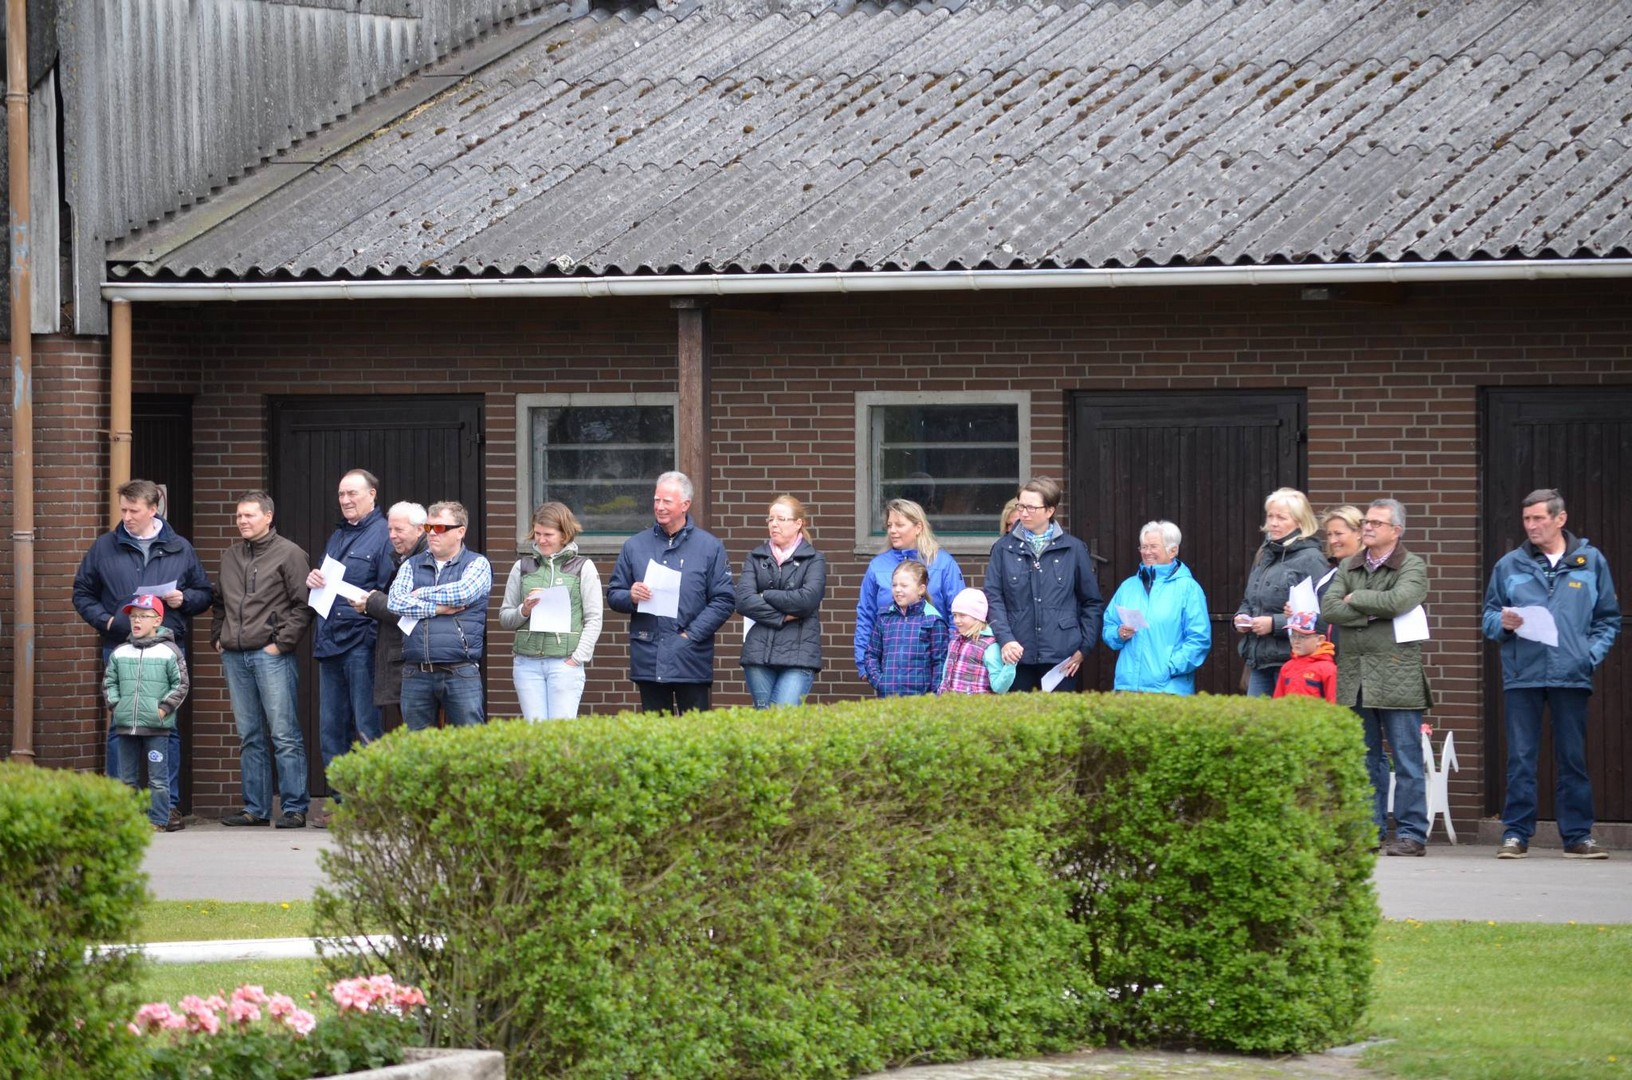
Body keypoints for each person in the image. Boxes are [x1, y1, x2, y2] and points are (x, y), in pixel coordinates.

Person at [1483, 488, 1621, 860]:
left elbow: (1607, 620)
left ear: (1560, 519)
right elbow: (1489, 616)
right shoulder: (1509, 564)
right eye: (1526, 519)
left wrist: (1588, 656)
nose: (1531, 526)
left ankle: (1577, 836)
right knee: (1521, 758)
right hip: (1522, 674)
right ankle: (1515, 835)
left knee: (1572, 758)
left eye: (1538, 518)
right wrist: (1503, 623)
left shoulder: (1590, 561)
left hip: (1571, 674)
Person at [72, 477, 212, 828]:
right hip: (120, 648)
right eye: (123, 510)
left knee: (167, 727)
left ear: (153, 509)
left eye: (134, 510)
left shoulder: (179, 548)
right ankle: (121, 807)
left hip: (165, 649)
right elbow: (82, 592)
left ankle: (168, 808)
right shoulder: (105, 547)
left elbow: (204, 593)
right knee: (120, 725)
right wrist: (106, 621)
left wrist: (185, 599)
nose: (127, 517)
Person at [1321, 498, 1432, 857]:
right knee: (1364, 758)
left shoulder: (1411, 565)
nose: (1367, 527)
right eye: (1365, 522)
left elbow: (1400, 601)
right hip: (1355, 676)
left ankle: (1412, 835)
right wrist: (1371, 612)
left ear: (1396, 531)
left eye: (1376, 523)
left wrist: (1357, 598)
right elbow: (1329, 608)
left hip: (1397, 674)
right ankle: (1368, 832)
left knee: (1407, 759)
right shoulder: (1350, 565)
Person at [213, 491, 314, 829]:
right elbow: (219, 602)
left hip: (270, 655)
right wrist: (218, 637)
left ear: (268, 517)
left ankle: (294, 808)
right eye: (239, 516)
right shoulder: (230, 556)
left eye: (249, 515)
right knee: (250, 735)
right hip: (235, 655)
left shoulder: (290, 553)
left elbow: (304, 605)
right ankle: (255, 809)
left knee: (284, 734)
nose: (242, 521)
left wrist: (282, 644)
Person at [607, 471, 735, 715]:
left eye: (667, 501)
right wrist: (630, 596)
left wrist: (691, 635)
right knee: (655, 732)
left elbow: (724, 600)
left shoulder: (710, 547)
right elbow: (614, 594)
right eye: (657, 500)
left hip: (691, 655)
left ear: (685, 504)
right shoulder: (634, 546)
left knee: (696, 731)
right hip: (649, 653)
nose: (659, 507)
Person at [303, 470, 394, 783]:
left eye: (352, 493)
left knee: (367, 726)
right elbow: (327, 581)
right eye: (341, 494)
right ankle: (341, 800)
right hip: (329, 643)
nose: (345, 500)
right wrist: (313, 579)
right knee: (331, 729)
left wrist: (370, 638)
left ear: (372, 494)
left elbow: (387, 593)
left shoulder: (384, 534)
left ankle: (370, 800)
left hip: (361, 646)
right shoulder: (338, 535)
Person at [983, 476, 1103, 692]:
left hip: (1062, 655)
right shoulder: (1003, 548)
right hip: (1016, 653)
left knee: (1059, 713)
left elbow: (1091, 602)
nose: (1023, 513)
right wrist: (1006, 639)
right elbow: (993, 597)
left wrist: (1083, 649)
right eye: (1021, 506)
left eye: (1031, 507)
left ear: (1050, 510)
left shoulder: (1074, 549)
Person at [387, 501, 493, 730]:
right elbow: (395, 602)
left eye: (440, 528)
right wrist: (437, 609)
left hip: (460, 670)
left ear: (460, 532)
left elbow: (462, 593)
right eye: (428, 528)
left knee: (469, 742)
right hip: (416, 670)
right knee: (417, 745)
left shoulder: (477, 563)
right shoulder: (411, 564)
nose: (432, 533)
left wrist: (421, 593)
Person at [499, 501, 604, 720]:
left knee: (561, 731)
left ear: (564, 535)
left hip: (564, 662)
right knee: (534, 731)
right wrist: (524, 610)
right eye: (537, 533)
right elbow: (505, 617)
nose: (541, 540)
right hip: (526, 663)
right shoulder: (522, 567)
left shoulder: (583, 567)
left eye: (548, 534)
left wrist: (577, 658)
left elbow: (594, 618)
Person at [104, 594, 190, 832]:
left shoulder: (169, 651)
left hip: (156, 727)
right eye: (133, 616)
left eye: (143, 616)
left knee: (158, 779)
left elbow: (181, 684)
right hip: (126, 726)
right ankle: (128, 819)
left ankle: (158, 820)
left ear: (158, 620)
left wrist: (163, 710)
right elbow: (110, 682)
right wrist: (117, 706)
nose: (137, 621)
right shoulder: (120, 652)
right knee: (126, 778)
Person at [853, 498, 965, 680]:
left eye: (899, 525)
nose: (892, 530)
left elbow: (959, 615)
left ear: (918, 527)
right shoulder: (877, 566)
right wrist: (864, 664)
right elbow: (866, 616)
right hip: (890, 669)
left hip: (935, 668)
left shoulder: (943, 564)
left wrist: (951, 660)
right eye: (889, 525)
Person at [1235, 487, 1329, 696]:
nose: (1273, 523)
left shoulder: (1312, 559)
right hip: (1259, 660)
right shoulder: (1265, 554)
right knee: (1255, 717)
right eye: (1270, 516)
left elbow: (1321, 616)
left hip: (1293, 661)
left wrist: (1274, 624)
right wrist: (1243, 617)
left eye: (1281, 517)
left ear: (1300, 522)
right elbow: (1250, 599)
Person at [735, 495, 826, 708]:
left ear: (798, 523)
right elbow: (743, 601)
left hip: (799, 654)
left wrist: (765, 595)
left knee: (782, 717)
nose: (774, 524)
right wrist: (783, 616)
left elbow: (806, 601)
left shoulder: (814, 559)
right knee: (764, 718)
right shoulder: (755, 557)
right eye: (770, 519)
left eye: (781, 519)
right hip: (758, 653)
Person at [1100, 520, 1211, 695]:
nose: (1147, 552)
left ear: (1173, 550)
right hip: (1127, 687)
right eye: (1143, 547)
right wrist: (1118, 634)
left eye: (1153, 547)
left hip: (1169, 689)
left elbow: (1199, 639)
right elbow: (1108, 626)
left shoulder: (1189, 589)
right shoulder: (1128, 587)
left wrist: (1169, 667)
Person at [354, 501, 429, 721]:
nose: (392, 536)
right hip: (404, 657)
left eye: (399, 530)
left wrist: (372, 601)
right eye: (390, 529)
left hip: (414, 659)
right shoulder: (404, 558)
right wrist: (368, 605)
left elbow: (410, 608)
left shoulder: (425, 560)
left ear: (420, 529)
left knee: (421, 730)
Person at [861, 560, 948, 697]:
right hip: (887, 698)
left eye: (904, 585)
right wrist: (880, 682)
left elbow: (940, 663)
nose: (897, 589)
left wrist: (933, 696)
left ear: (921, 589)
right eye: (894, 585)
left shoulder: (933, 620)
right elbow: (871, 654)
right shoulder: (884, 617)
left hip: (920, 700)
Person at [937, 587, 1014, 695]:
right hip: (949, 703)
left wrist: (1010, 665)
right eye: (954, 615)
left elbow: (999, 688)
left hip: (975, 704)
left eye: (962, 615)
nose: (956, 620)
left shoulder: (989, 646)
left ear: (977, 616)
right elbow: (945, 676)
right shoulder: (954, 641)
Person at [1272, 611, 1337, 702]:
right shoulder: (1287, 667)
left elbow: (1334, 704)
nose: (1296, 641)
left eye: (1302, 637)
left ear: (1320, 640)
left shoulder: (1328, 669)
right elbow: (1278, 701)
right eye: (1293, 636)